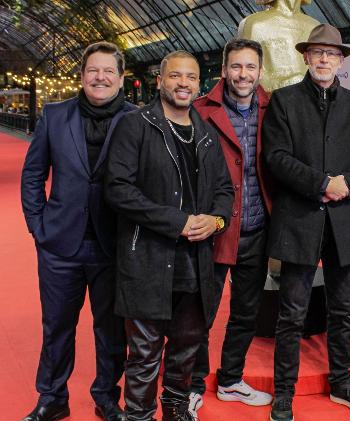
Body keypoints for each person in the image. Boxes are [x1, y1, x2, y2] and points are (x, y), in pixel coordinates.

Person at [105, 50, 234, 421]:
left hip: (195, 262)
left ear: (200, 84)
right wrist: (177, 221)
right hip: (147, 257)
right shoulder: (136, 125)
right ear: (159, 81)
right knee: (144, 353)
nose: (183, 83)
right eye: (175, 76)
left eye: (191, 78)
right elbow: (118, 189)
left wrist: (216, 221)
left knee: (186, 347)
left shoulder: (206, 132)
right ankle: (140, 416)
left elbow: (225, 190)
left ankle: (177, 410)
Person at [261, 24, 350, 421]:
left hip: (343, 223)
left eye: (331, 53)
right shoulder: (285, 101)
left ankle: (342, 384)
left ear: (341, 59)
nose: (324, 59)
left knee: (342, 312)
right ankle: (283, 393)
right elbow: (276, 158)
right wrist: (323, 183)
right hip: (299, 221)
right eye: (317, 52)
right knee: (291, 314)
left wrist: (347, 184)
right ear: (306, 57)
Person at [20, 41, 133, 421]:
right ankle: (52, 398)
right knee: (56, 327)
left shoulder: (138, 118)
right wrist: (38, 227)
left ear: (121, 78)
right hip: (60, 244)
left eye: (108, 71)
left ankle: (106, 397)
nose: (100, 77)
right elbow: (33, 174)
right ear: (82, 75)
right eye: (92, 70)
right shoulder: (54, 115)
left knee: (112, 331)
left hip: (113, 244)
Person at [187, 39, 274, 418]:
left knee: (245, 312)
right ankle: (190, 383)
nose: (243, 74)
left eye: (250, 67)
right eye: (236, 66)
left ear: (259, 70)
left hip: (257, 228)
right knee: (201, 313)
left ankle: (231, 379)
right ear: (224, 69)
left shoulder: (274, 109)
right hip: (215, 230)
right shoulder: (200, 111)